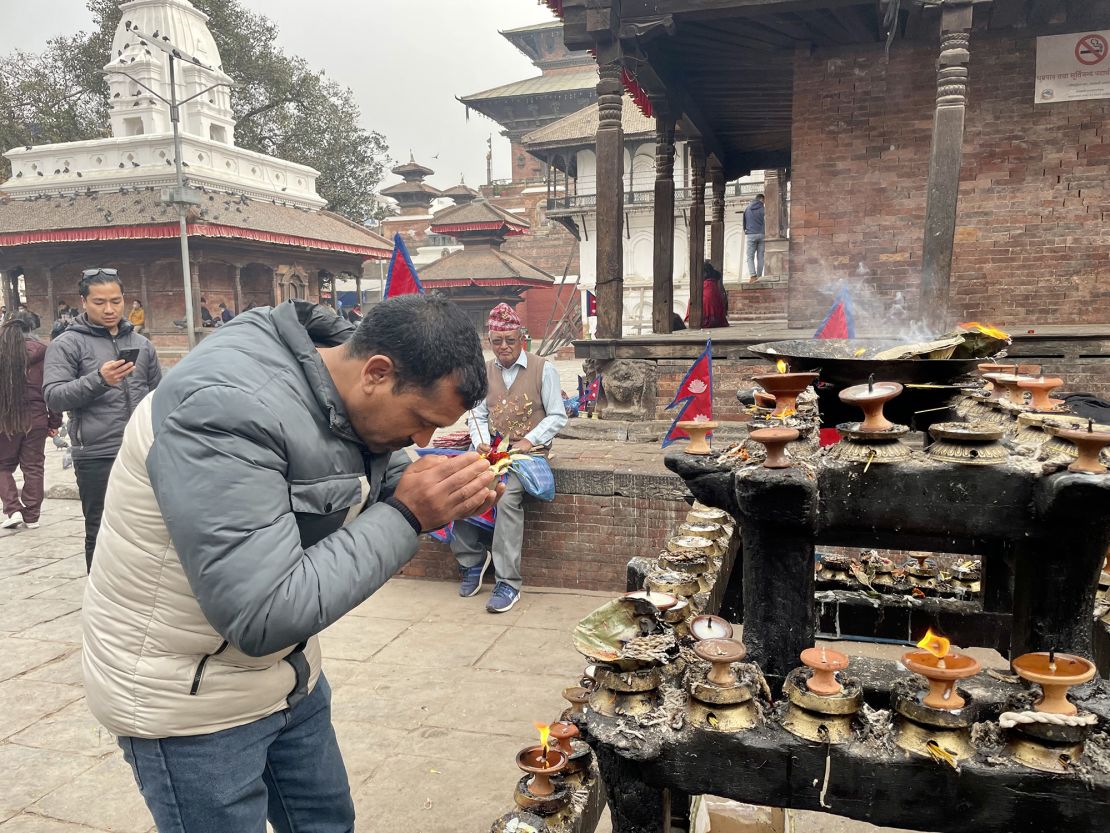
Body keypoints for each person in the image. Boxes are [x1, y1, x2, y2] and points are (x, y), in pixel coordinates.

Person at [81, 295, 500, 831]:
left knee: (327, 823)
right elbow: (263, 612)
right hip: (190, 699)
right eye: (420, 420)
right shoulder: (225, 410)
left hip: (286, 676)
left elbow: (384, 474)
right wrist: (408, 515)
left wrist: (443, 487)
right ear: (376, 372)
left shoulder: (338, 381)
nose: (422, 440)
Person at [452, 302, 568, 613]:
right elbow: (475, 414)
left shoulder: (544, 369)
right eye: (497, 341)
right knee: (459, 485)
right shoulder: (483, 372)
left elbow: (558, 415)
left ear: (522, 339)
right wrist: (479, 444)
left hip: (527, 453)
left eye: (510, 340)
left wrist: (531, 440)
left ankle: (508, 582)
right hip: (490, 448)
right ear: (489, 342)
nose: (504, 347)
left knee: (506, 497)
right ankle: (472, 560)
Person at [43, 268, 161, 571]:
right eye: (99, 302)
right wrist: (99, 379)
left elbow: (159, 395)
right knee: (101, 530)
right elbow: (54, 396)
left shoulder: (142, 345)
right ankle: (102, 604)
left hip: (142, 452)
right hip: (97, 454)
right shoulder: (67, 344)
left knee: (149, 530)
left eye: (115, 301)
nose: (109, 309)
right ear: (83, 302)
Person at [0, 313, 62, 529]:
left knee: (2, 465)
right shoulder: (45, 353)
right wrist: (54, 422)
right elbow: (52, 388)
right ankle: (32, 516)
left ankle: (13, 509)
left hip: (6, 420)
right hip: (37, 419)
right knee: (34, 467)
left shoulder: (2, 353)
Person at [743, 193, 766, 282]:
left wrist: (746, 230)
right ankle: (759, 276)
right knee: (760, 256)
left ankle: (753, 276)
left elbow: (744, 222)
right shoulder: (764, 209)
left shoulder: (747, 208)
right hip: (762, 234)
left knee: (750, 256)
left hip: (751, 234)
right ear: (761, 199)